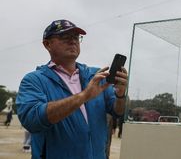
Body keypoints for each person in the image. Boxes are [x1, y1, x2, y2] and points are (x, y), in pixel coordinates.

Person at [16, 19, 128, 159]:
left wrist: (121, 95)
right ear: (47, 44)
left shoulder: (95, 75)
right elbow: (32, 120)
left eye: (76, 37)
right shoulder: (34, 80)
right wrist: (84, 96)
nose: (73, 41)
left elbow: (118, 111)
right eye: (64, 37)